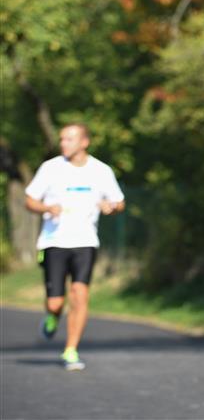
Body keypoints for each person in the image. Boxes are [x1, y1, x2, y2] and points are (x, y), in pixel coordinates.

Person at [25, 123, 125, 371]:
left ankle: (71, 349)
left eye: (69, 139)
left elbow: (119, 202)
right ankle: (52, 316)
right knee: (56, 303)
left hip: (85, 242)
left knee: (80, 294)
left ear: (84, 142)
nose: (63, 144)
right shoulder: (50, 168)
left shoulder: (101, 171)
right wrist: (47, 208)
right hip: (54, 242)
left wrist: (111, 207)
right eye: (62, 139)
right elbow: (30, 200)